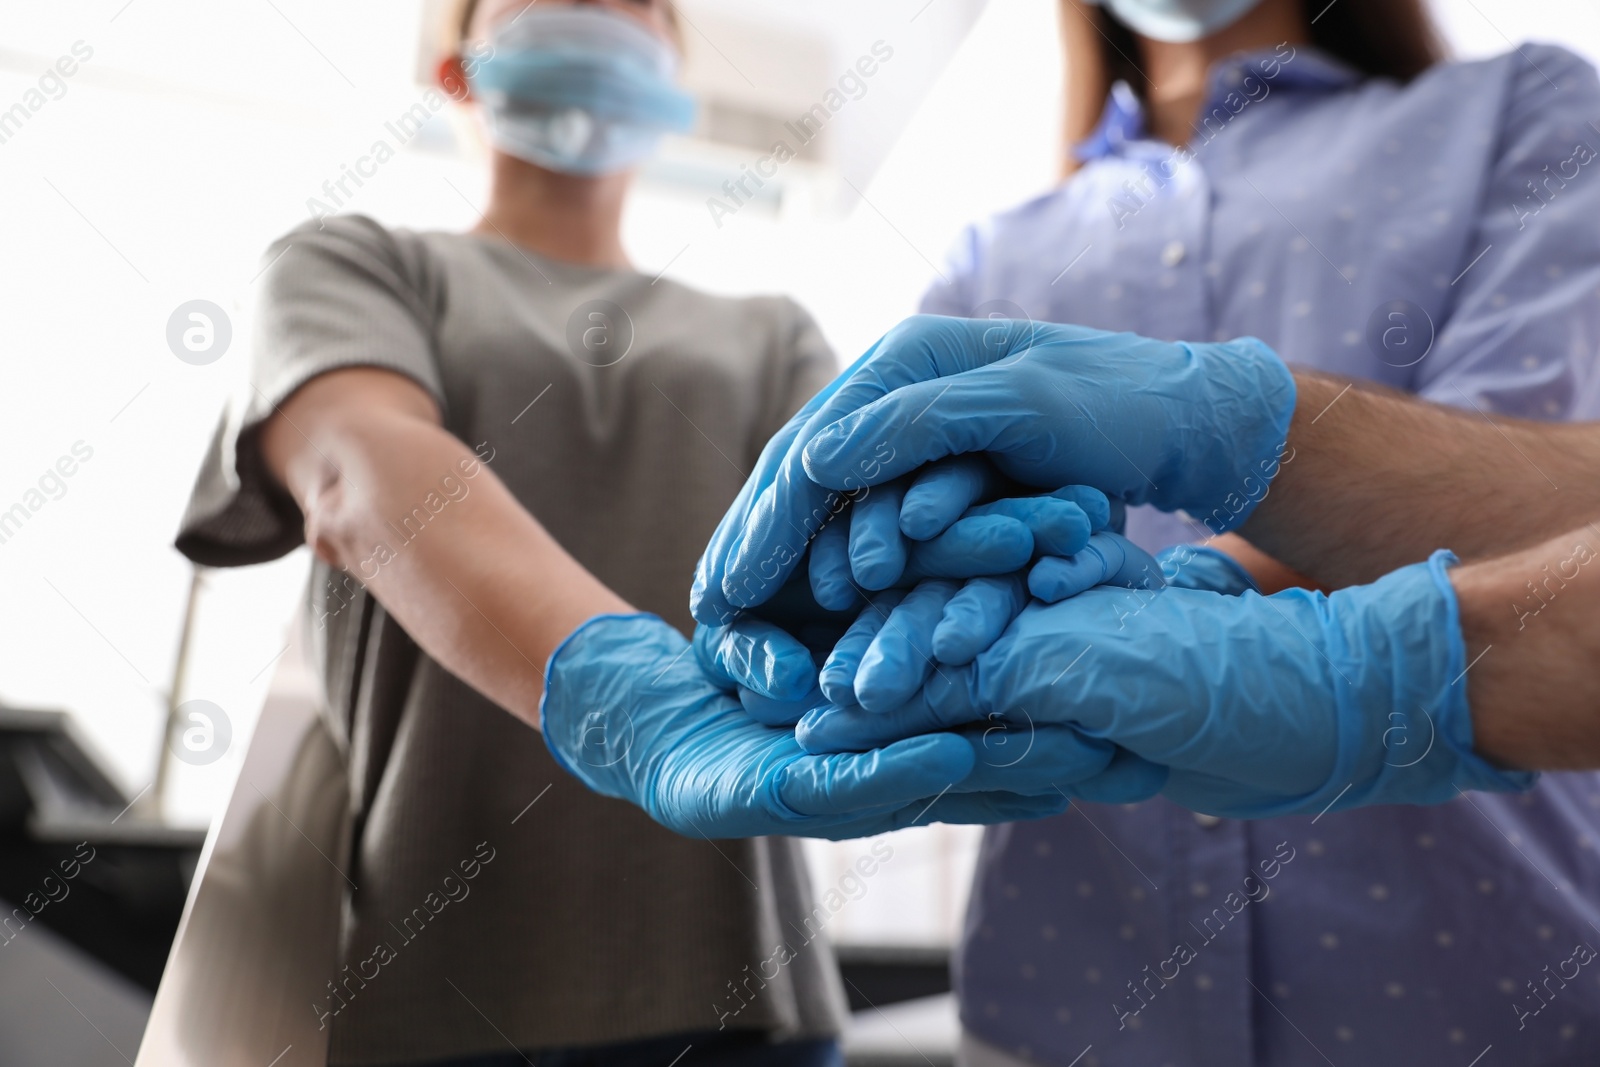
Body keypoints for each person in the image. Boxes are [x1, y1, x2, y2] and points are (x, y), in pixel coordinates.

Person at [173, 2, 1081, 1063]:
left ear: (670, 83)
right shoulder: (359, 265)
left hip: (741, 980)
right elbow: (354, 464)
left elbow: (857, 551)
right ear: (459, 70)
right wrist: (613, 690)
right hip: (439, 976)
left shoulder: (765, 334)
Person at [695, 0, 1600, 1060]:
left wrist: (1152, 610)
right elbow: (911, 548)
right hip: (1071, 998)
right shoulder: (1000, 249)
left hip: (1477, 988)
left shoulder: (1517, 114)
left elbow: (1545, 485)